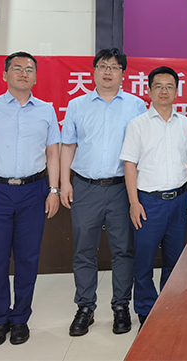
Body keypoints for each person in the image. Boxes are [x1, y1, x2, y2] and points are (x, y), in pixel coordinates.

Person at [0, 51, 61, 347]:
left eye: (29, 69)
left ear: (35, 77)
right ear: (5, 75)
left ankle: (20, 318)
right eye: (17, 68)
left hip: (33, 191)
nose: (23, 73)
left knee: (28, 258)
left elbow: (53, 153)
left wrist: (53, 190)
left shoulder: (46, 110)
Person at [60, 48, 146, 336]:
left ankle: (121, 306)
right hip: (85, 187)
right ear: (94, 71)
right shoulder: (77, 105)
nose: (108, 71)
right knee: (84, 250)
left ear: (123, 73)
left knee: (124, 250)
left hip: (122, 189)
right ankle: (85, 307)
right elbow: (68, 145)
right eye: (103, 66)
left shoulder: (136, 106)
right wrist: (65, 183)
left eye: (114, 67)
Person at [119, 66, 187, 326]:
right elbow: (129, 164)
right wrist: (134, 202)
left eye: (169, 87)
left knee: (174, 260)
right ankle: (145, 309)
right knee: (144, 260)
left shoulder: (186, 124)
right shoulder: (137, 125)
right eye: (158, 86)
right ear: (149, 90)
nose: (164, 91)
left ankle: (169, 305)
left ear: (177, 91)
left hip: (179, 201)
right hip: (148, 202)